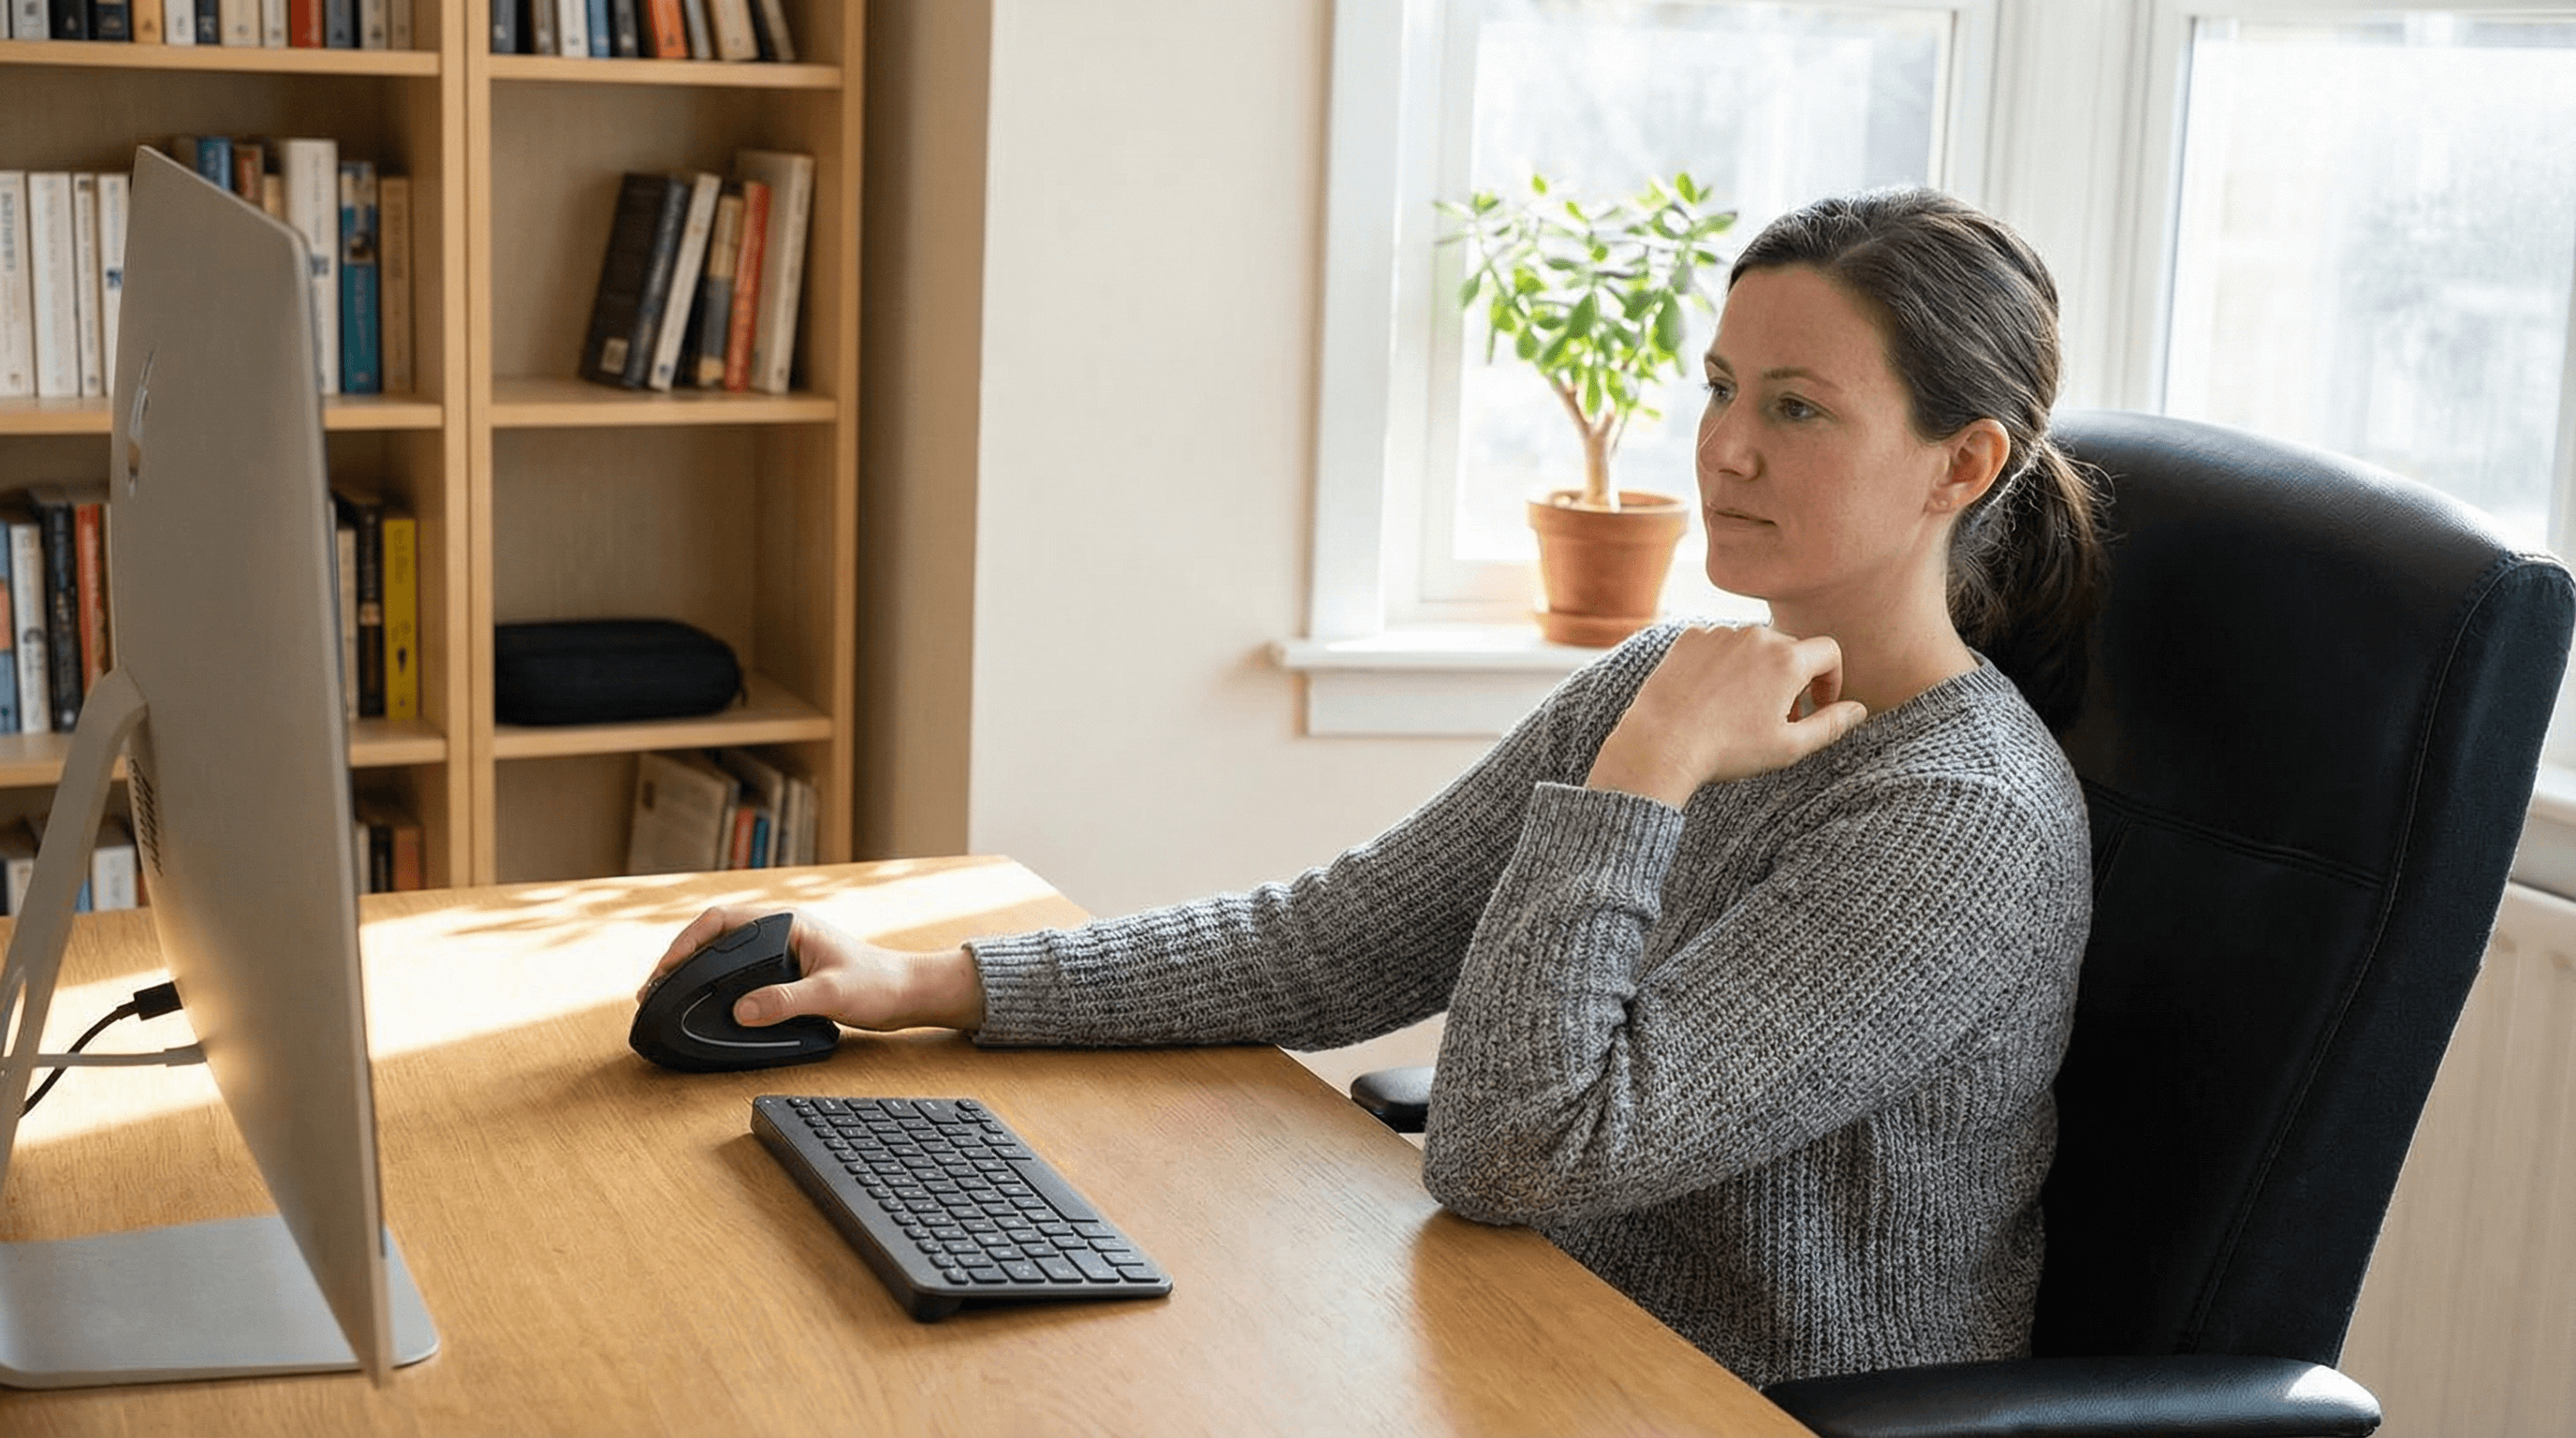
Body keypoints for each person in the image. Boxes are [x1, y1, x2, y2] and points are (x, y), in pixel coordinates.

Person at [638, 187, 2102, 1387]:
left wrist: (1647, 772)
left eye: (1798, 408)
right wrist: (925, 981)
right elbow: (1336, 940)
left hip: (1733, 1402)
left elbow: (1521, 1148)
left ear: (1959, 465)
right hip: (1537, 1344)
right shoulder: (1681, 672)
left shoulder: (1956, 819)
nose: (1723, 445)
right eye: (1721, 386)